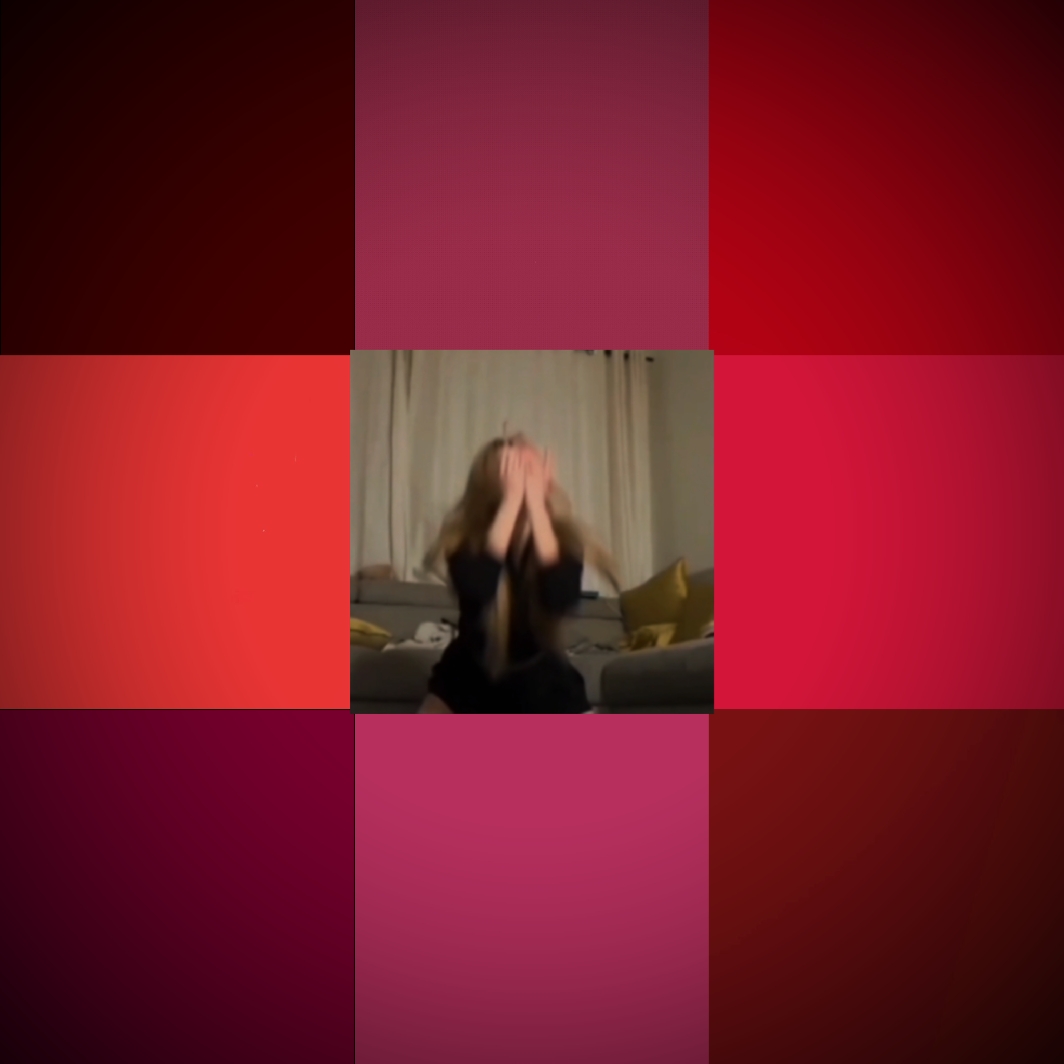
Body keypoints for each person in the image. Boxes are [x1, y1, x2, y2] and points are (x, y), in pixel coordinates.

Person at [418, 434, 620, 713]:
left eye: (533, 470)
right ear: (492, 482)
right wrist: (511, 503)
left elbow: (561, 598)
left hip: (539, 676)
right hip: (469, 675)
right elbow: (478, 588)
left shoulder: (562, 538)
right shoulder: (463, 536)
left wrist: (538, 507)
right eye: (516, 470)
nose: (528, 478)